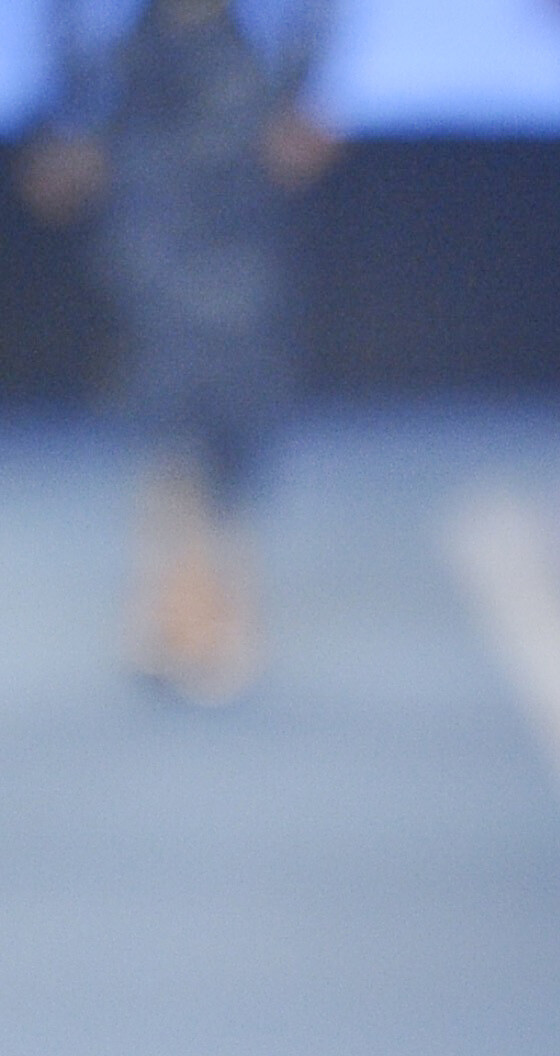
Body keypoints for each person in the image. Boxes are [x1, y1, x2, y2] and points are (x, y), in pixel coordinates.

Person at [17, 0, 333, 702]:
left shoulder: (254, 57)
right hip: (148, 175)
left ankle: (219, 600)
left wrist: (305, 87)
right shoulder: (121, 59)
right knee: (167, 387)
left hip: (242, 174)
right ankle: (174, 606)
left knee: (237, 399)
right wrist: (71, 118)